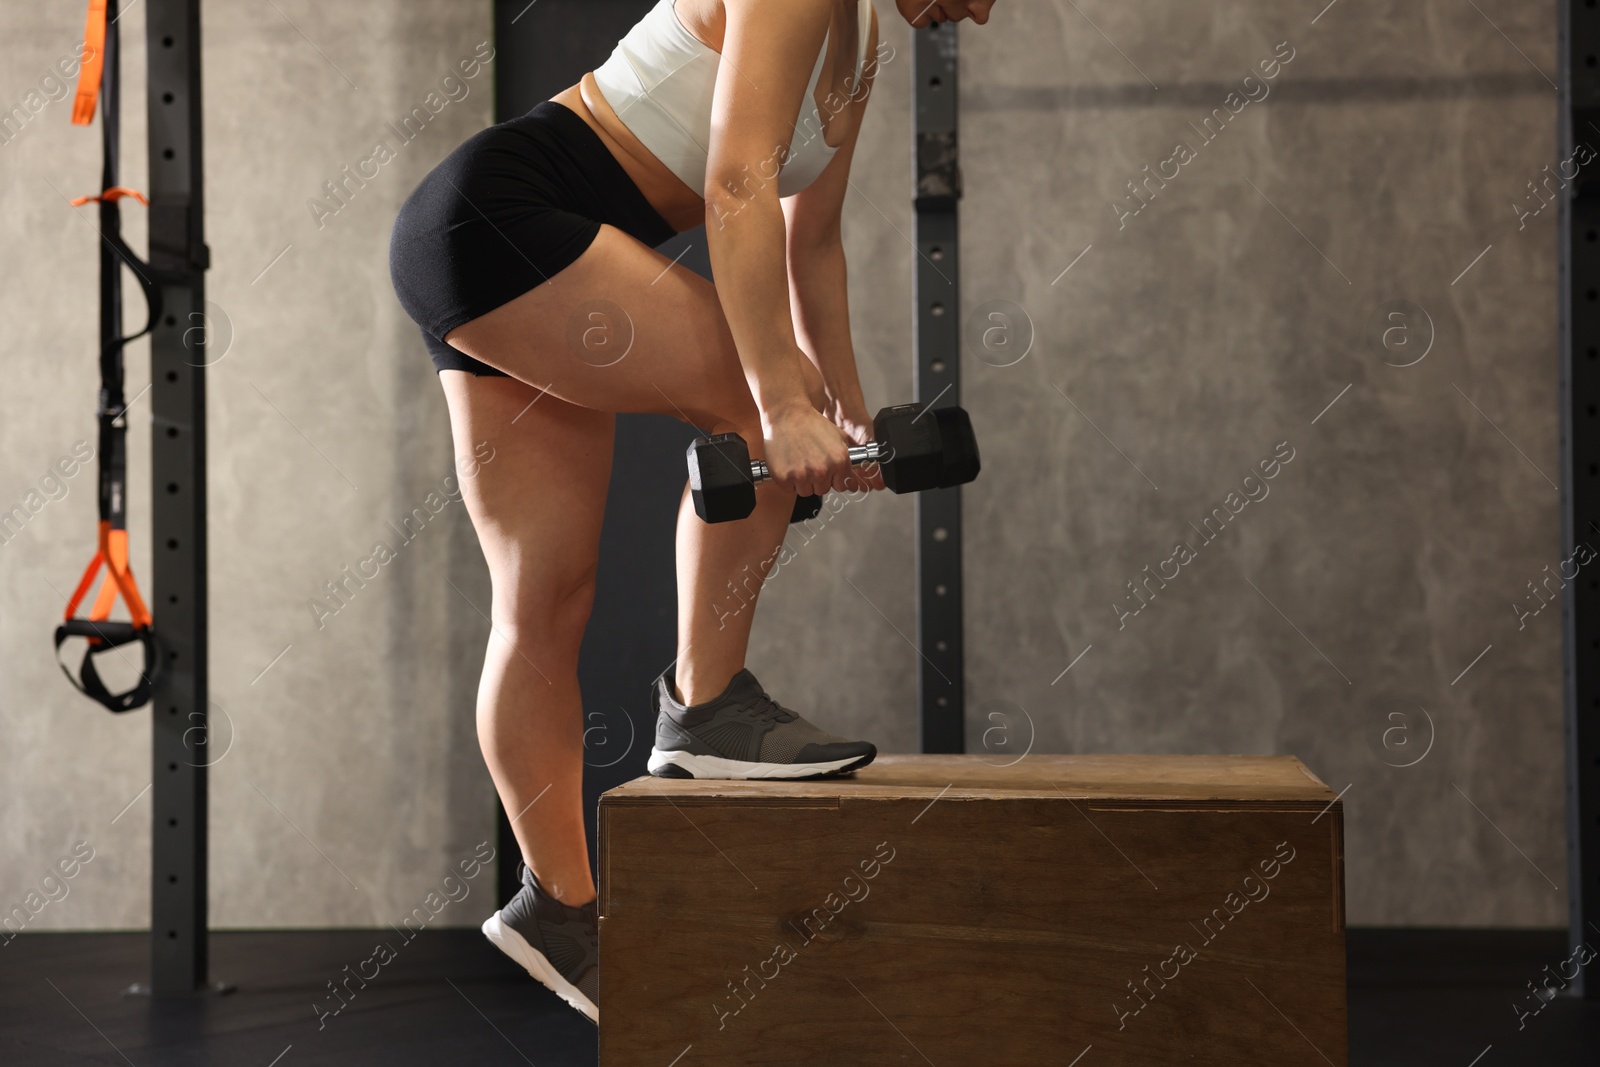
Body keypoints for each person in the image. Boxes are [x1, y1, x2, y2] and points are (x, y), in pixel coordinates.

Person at [388, 0, 996, 1024]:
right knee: (755, 403)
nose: (978, 11)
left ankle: (557, 909)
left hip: (522, 244)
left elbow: (813, 245)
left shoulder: (865, 41)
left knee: (544, 597)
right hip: (504, 216)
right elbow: (736, 182)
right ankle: (704, 705)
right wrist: (780, 398)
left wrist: (839, 414)